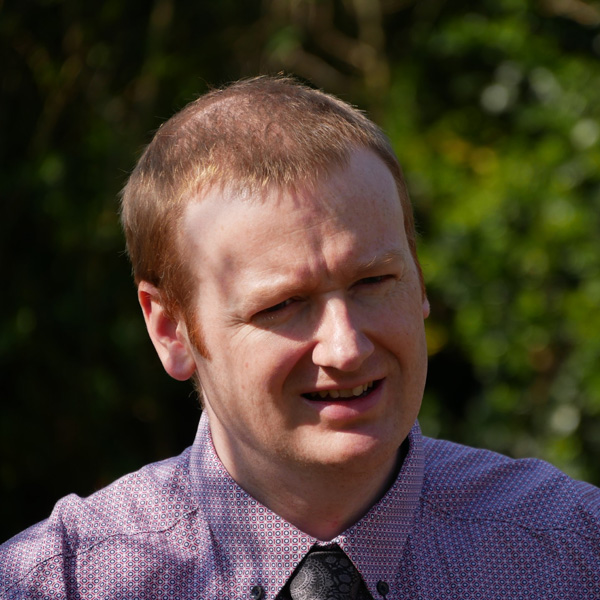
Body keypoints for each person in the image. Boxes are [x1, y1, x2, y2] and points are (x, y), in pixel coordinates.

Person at [1, 76, 599, 600]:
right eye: (283, 305)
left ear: (418, 277)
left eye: (373, 280)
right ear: (170, 328)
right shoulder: (60, 583)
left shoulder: (574, 553)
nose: (347, 348)